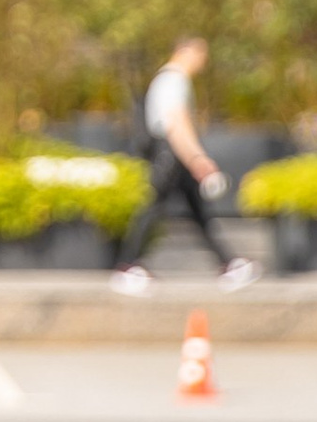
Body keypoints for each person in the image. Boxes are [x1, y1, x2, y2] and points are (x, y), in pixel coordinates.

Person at [110, 33, 256, 295]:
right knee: (154, 207)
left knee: (196, 211)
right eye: (202, 55)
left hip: (173, 151)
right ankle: (127, 266)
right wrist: (196, 158)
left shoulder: (168, 80)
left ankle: (227, 263)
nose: (203, 63)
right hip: (171, 152)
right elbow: (176, 123)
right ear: (187, 52)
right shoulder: (174, 81)